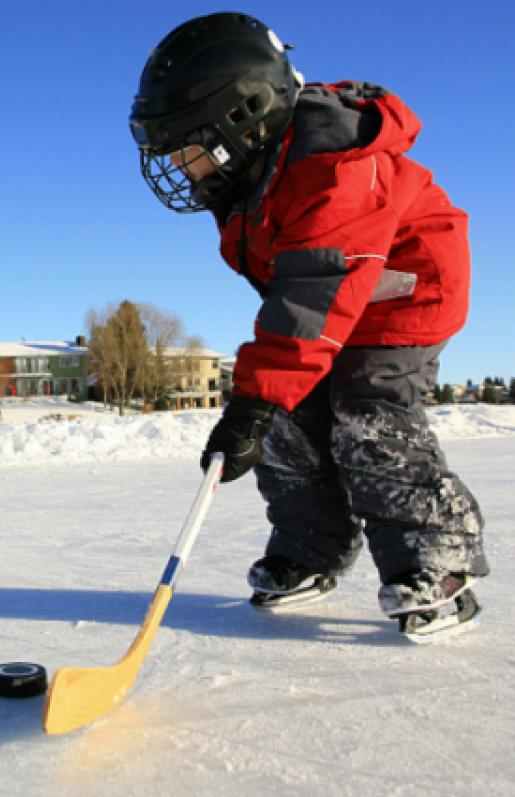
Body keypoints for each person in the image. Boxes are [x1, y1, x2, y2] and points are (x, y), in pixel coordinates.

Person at [129, 12, 486, 641]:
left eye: (193, 149)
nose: (184, 169)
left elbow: (311, 292)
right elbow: (299, 298)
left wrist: (252, 400)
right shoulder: (249, 182)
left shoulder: (332, 169)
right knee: (288, 420)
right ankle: (312, 549)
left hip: (406, 291)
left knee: (365, 411)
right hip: (333, 297)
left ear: (245, 118)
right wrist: (268, 403)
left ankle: (437, 565)